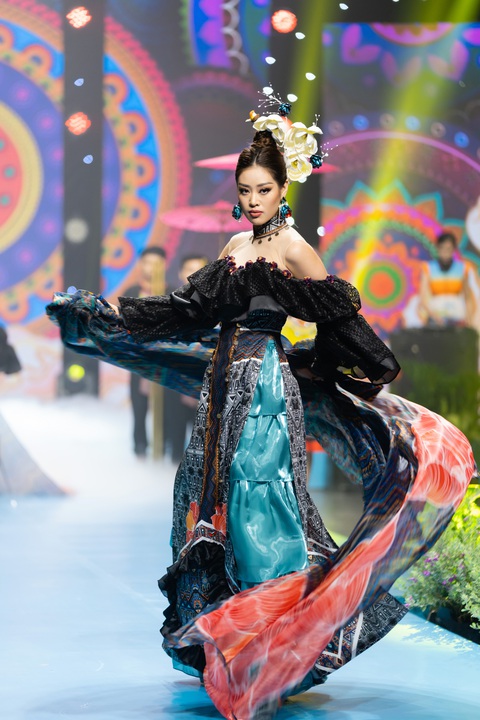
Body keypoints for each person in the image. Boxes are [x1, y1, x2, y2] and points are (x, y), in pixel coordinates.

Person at [47, 104, 475, 720]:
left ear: (282, 189)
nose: (252, 201)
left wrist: (335, 368)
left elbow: (343, 324)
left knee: (261, 504)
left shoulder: (296, 249)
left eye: (263, 190)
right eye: (245, 190)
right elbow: (186, 310)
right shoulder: (236, 245)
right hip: (223, 385)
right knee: (208, 498)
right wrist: (111, 313)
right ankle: (238, 638)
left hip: (267, 390)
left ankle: (273, 641)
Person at [163, 254, 209, 463]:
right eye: (190, 270)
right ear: (181, 273)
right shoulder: (170, 303)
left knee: (203, 438)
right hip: (175, 375)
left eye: (200, 270)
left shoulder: (217, 305)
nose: (195, 276)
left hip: (205, 378)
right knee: (175, 431)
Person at [123, 246, 166, 457]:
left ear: (164, 265)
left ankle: (165, 449)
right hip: (139, 361)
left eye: (156, 263)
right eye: (148, 262)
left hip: (165, 361)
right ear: (141, 265)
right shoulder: (132, 293)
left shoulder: (173, 293)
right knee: (139, 409)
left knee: (165, 410)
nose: (151, 268)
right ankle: (139, 447)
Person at [418, 231, 476, 327]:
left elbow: (468, 298)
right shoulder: (428, 268)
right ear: (438, 248)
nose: (445, 252)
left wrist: (468, 318)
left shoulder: (462, 268)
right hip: (435, 319)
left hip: (457, 318)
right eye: (442, 248)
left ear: (453, 250)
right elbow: (423, 298)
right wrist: (435, 317)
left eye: (448, 249)